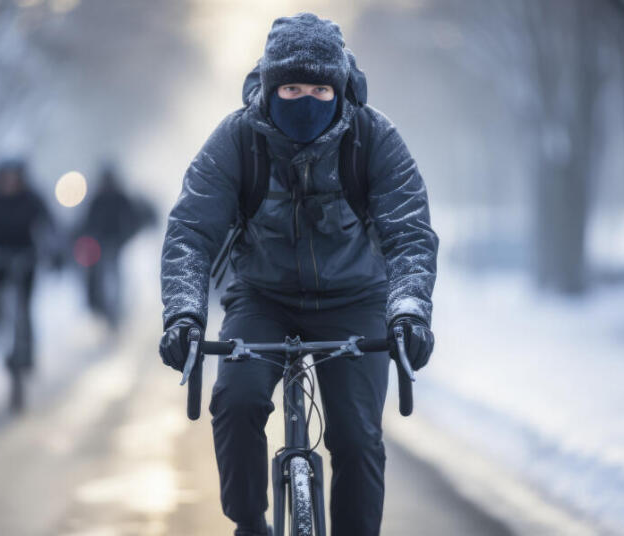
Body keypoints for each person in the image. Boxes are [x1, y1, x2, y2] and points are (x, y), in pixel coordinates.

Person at [159, 13, 438, 536]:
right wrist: (184, 313)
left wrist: (408, 309)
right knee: (236, 402)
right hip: (262, 299)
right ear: (268, 87)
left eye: (318, 87)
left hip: (355, 299)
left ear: (341, 87)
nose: (305, 99)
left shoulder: (374, 138)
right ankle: (249, 523)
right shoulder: (237, 140)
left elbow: (409, 234)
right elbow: (190, 233)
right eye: (290, 87)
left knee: (357, 438)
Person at [0, 159, 57, 370]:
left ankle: (27, 349)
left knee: (26, 304)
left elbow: (50, 226)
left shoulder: (32, 199)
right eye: (5, 177)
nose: (10, 182)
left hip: (26, 257)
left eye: (14, 176)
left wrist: (52, 252)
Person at [75, 163, 155, 327]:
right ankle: (102, 307)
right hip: (101, 245)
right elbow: (87, 223)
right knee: (97, 273)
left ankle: (117, 308)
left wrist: (127, 236)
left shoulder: (120, 198)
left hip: (118, 244)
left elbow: (133, 218)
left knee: (117, 274)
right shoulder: (98, 199)